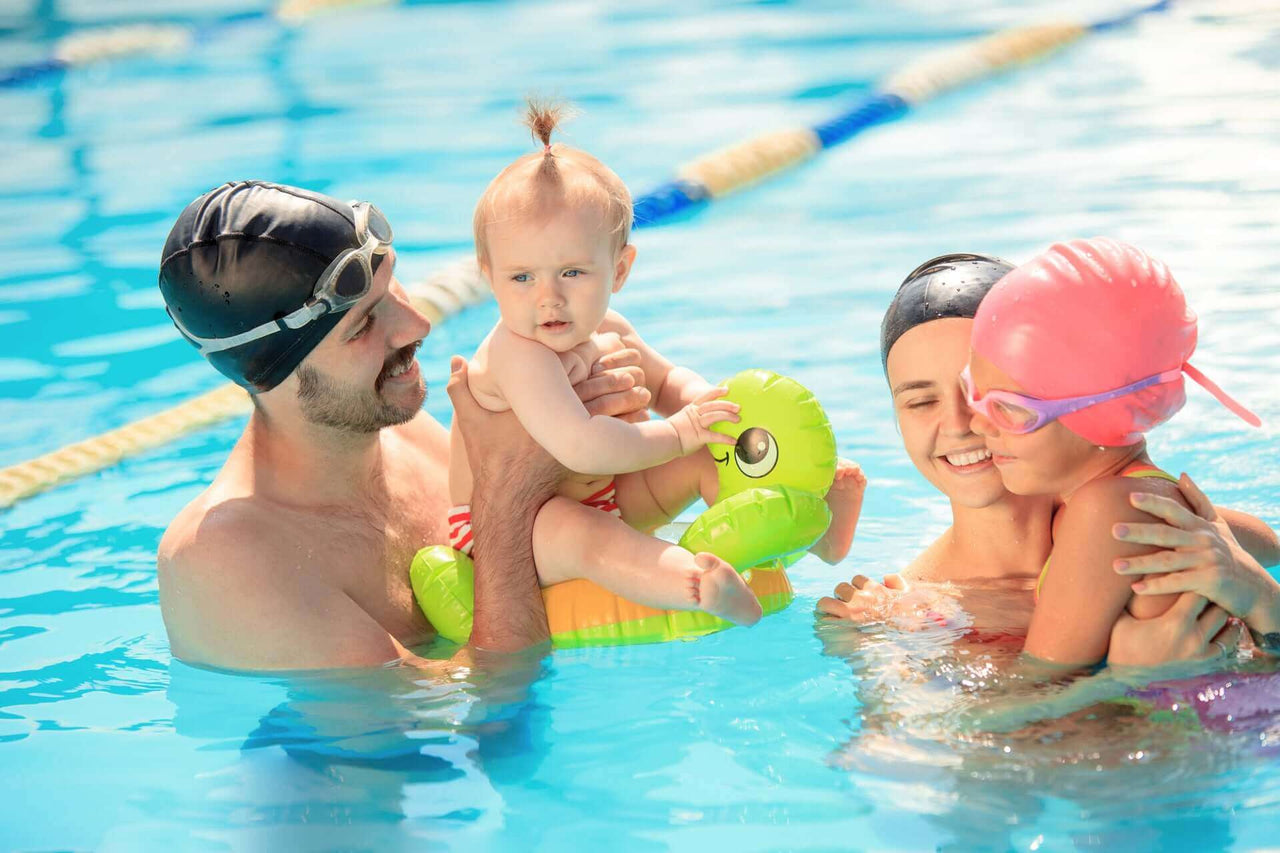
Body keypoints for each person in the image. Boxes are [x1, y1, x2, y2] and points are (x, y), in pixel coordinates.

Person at [155, 180, 653, 670]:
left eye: (394, 286)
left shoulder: (402, 431)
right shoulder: (229, 558)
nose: (417, 326)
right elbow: (471, 724)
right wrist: (511, 494)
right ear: (272, 373)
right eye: (364, 325)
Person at [446, 101, 865, 626]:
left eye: (572, 272)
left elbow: (667, 380)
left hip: (609, 494)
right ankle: (695, 585)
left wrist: (708, 407)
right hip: (513, 525)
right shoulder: (516, 354)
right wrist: (680, 431)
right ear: (488, 276)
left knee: (711, 454)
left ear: (619, 269)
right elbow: (582, 445)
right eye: (521, 278)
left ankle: (814, 537)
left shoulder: (610, 329)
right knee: (585, 533)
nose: (547, 298)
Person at [819, 252, 1280, 665]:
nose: (965, 422)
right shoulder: (893, 616)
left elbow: (1264, 551)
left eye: (990, 395)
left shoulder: (1124, 517)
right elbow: (926, 750)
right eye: (921, 402)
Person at [966, 237, 1269, 666]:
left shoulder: (1103, 512)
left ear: (1098, 414)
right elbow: (1268, 544)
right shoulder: (1156, 501)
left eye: (1008, 409)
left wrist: (1121, 681)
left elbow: (1030, 696)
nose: (977, 423)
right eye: (973, 392)